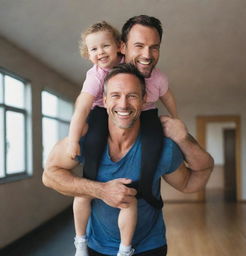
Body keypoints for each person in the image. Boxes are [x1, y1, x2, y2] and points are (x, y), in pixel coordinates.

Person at [43, 63, 214, 256]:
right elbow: (49, 175)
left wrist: (184, 138)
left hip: (149, 247)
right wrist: (101, 191)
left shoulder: (162, 147)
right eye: (116, 95)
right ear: (105, 101)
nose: (123, 104)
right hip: (95, 247)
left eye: (132, 96)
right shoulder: (85, 140)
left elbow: (192, 182)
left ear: (144, 100)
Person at [68, 17, 178, 256]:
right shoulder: (97, 75)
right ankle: (81, 236)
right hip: (99, 116)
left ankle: (145, 190)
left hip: (148, 116)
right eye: (94, 49)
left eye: (105, 46)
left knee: (153, 144)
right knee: (92, 155)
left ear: (117, 46)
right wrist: (73, 138)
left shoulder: (140, 71)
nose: (100, 53)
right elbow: (82, 107)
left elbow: (167, 96)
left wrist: (176, 119)